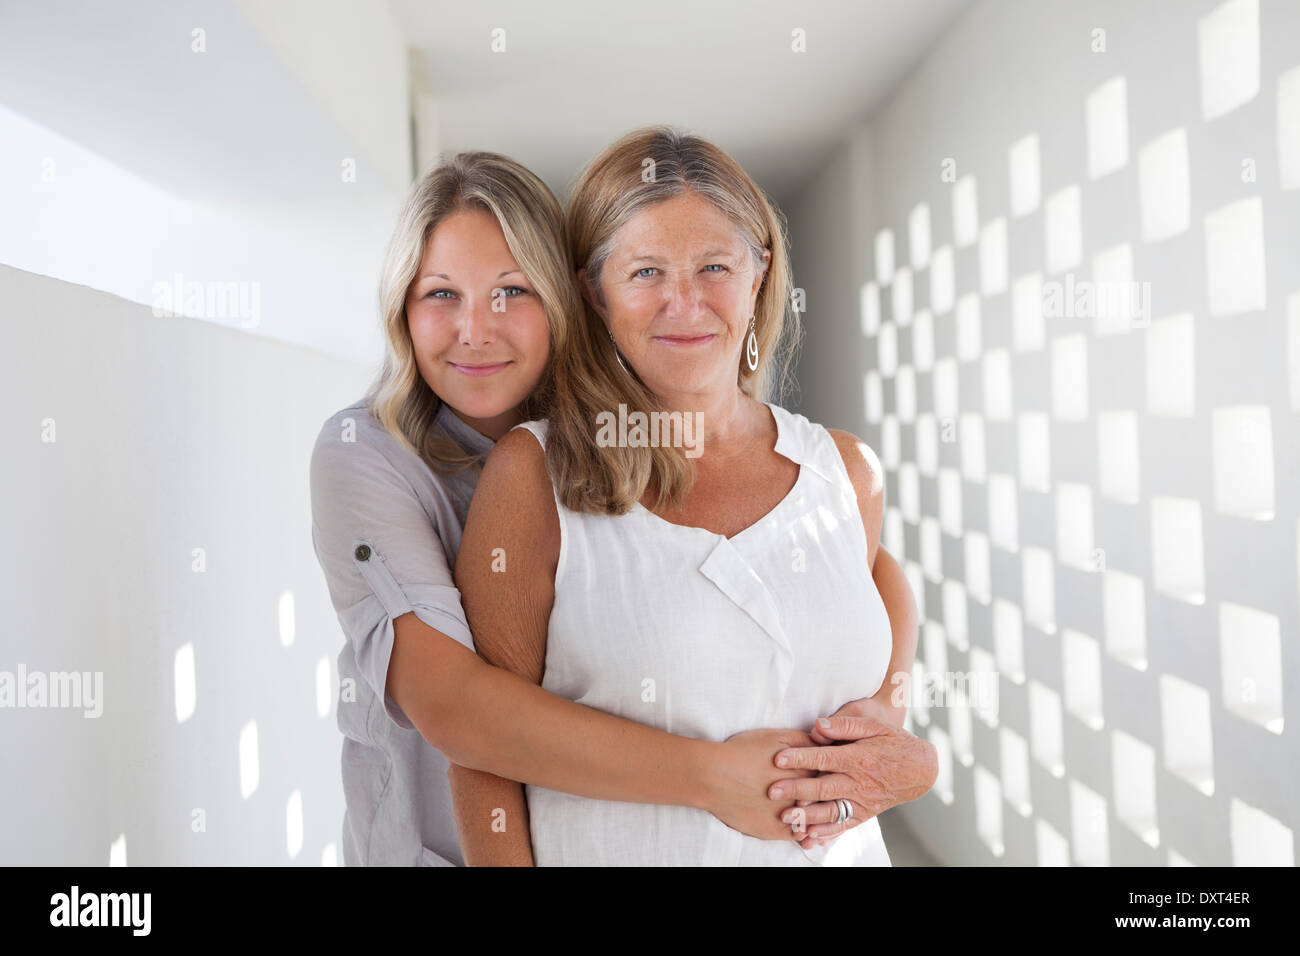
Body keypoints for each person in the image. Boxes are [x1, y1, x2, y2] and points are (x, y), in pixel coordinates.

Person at [309, 149, 931, 866]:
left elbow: (869, 572)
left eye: (513, 291)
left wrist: (896, 724)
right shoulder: (393, 458)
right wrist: (713, 780)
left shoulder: (796, 458)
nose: (477, 331)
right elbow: (460, 715)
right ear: (597, 291)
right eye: (441, 294)